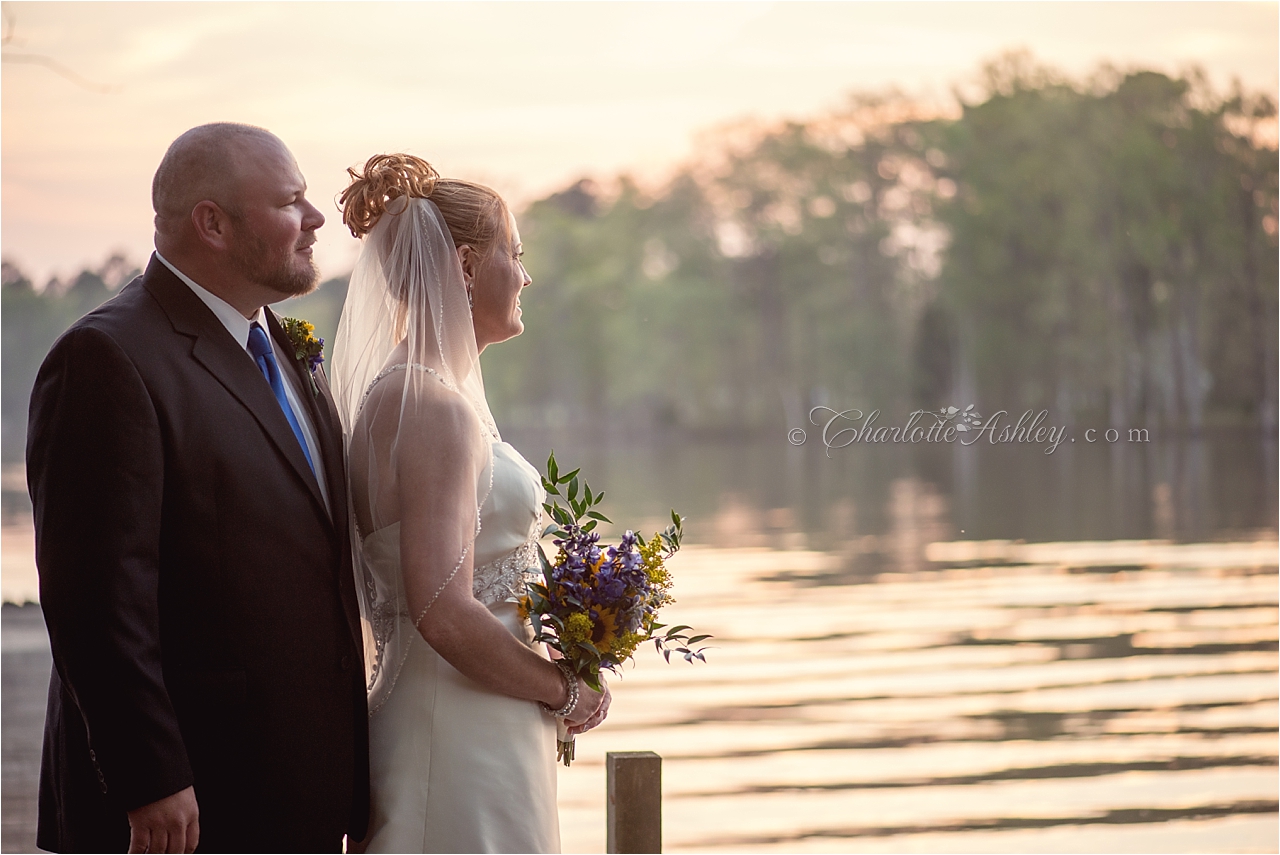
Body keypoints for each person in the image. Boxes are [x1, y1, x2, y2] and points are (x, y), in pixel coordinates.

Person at [27, 123, 369, 853]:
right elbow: (94, 596)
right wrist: (148, 776)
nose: (316, 220)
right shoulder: (107, 356)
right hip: (184, 806)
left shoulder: (278, 343)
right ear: (211, 222)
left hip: (295, 787)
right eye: (291, 201)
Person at [331, 155, 608, 853]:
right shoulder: (431, 406)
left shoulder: (409, 394)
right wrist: (563, 690)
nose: (524, 274)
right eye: (512, 253)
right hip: (453, 731)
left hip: (470, 715)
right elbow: (442, 610)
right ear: (463, 263)